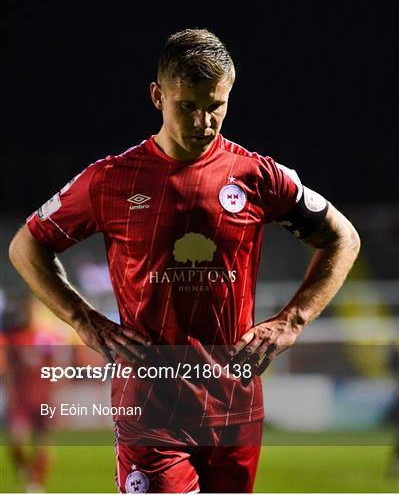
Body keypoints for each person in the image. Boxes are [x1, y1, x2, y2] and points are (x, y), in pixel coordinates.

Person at [9, 28, 361, 493]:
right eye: (187, 106)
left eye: (215, 105)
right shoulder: (109, 180)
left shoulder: (257, 176)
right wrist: (82, 318)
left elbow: (343, 238)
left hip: (234, 407)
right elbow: (27, 245)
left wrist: (290, 321)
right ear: (157, 96)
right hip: (150, 409)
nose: (202, 121)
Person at [2, 295, 54, 492]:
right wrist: (11, 393)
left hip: (42, 398)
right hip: (20, 399)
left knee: (42, 443)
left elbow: (58, 370)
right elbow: (9, 370)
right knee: (15, 441)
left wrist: (54, 395)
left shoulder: (47, 339)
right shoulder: (14, 338)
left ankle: (37, 484)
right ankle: (25, 472)